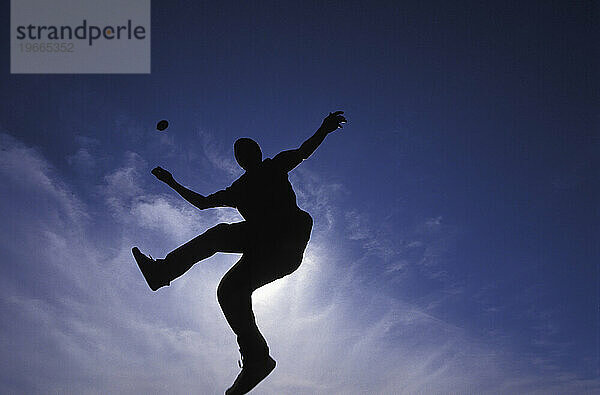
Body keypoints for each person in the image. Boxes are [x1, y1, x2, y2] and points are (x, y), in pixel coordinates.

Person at [132, 111, 347, 394]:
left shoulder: (275, 166)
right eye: (240, 153)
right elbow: (203, 203)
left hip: (286, 240)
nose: (244, 155)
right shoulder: (239, 188)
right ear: (239, 161)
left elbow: (304, 150)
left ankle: (163, 271)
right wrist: (172, 183)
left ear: (258, 153)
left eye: (248, 150)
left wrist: (324, 128)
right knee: (229, 290)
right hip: (266, 251)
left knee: (221, 234)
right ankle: (257, 358)